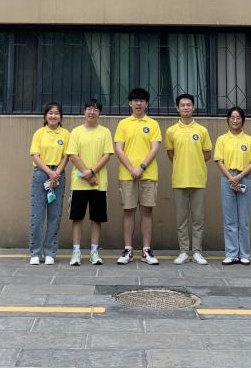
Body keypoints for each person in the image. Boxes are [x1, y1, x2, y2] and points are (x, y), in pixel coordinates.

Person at [113, 87, 162, 265]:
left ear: (146, 103)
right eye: (135, 100)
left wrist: (141, 167)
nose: (138, 103)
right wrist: (132, 169)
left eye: (142, 100)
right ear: (130, 103)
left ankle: (146, 250)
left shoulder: (153, 124)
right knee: (128, 212)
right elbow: (119, 149)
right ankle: (128, 250)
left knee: (147, 212)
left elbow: (155, 148)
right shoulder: (123, 124)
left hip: (148, 174)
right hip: (127, 176)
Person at [64, 98, 115, 266]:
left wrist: (92, 172)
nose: (92, 112)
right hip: (79, 183)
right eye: (89, 109)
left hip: (99, 184)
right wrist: (87, 175)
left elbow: (107, 155)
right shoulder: (76, 132)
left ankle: (94, 252)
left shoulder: (105, 132)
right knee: (77, 218)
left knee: (96, 219)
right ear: (84, 111)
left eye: (95, 109)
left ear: (100, 113)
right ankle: (76, 252)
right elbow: (73, 155)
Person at [164, 93, 212, 265]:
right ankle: (184, 251)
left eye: (189, 105)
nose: (186, 107)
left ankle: (197, 252)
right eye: (182, 105)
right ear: (177, 108)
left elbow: (207, 153)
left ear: (193, 107)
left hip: (198, 179)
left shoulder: (202, 130)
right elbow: (170, 153)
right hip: (179, 179)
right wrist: (182, 164)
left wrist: (195, 164)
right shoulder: (171, 131)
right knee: (181, 219)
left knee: (198, 219)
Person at [214, 106, 251, 265]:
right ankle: (231, 253)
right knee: (229, 219)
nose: (235, 120)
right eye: (232, 118)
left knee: (243, 219)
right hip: (227, 179)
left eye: (238, 118)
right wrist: (231, 178)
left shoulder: (249, 140)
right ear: (228, 120)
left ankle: (244, 254)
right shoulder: (222, 139)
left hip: (244, 178)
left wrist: (239, 177)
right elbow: (219, 161)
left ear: (243, 120)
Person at [27, 102, 69, 265]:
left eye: (56, 113)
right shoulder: (39, 133)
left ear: (61, 117)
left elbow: (66, 156)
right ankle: (35, 252)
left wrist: (56, 172)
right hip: (41, 173)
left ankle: (50, 252)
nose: (53, 116)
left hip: (58, 175)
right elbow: (35, 155)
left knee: (55, 215)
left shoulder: (65, 134)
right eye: (50, 113)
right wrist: (49, 172)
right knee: (37, 215)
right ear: (45, 116)